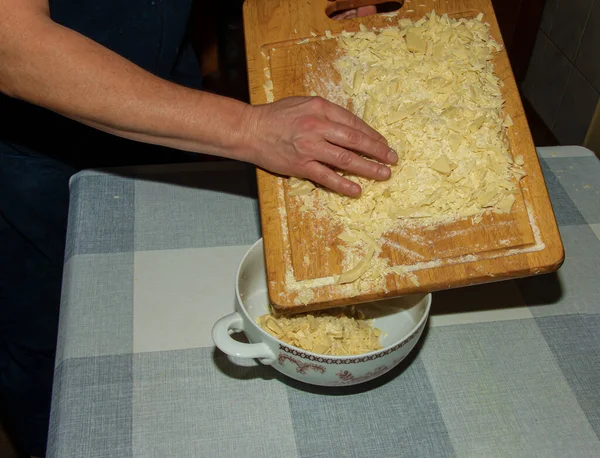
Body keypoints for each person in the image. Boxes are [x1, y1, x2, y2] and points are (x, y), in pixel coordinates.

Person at [0, 0, 395, 455]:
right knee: (56, 340)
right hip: (35, 152)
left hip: (164, 94)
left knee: (172, 306)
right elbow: (14, 46)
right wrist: (249, 127)